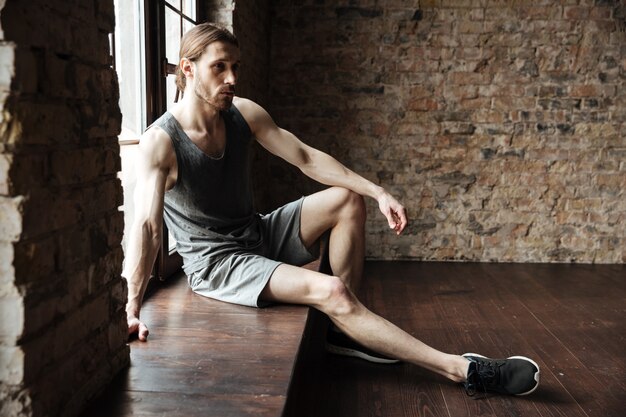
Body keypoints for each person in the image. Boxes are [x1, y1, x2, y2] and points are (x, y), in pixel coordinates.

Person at [122, 23, 540, 397]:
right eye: (220, 68)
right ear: (188, 68)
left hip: (256, 233)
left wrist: (378, 192)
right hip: (220, 263)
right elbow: (146, 227)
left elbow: (305, 157)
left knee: (346, 199)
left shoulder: (241, 113)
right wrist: (132, 308)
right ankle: (462, 369)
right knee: (332, 291)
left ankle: (345, 332)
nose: (232, 78)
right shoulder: (160, 142)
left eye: (235, 67)